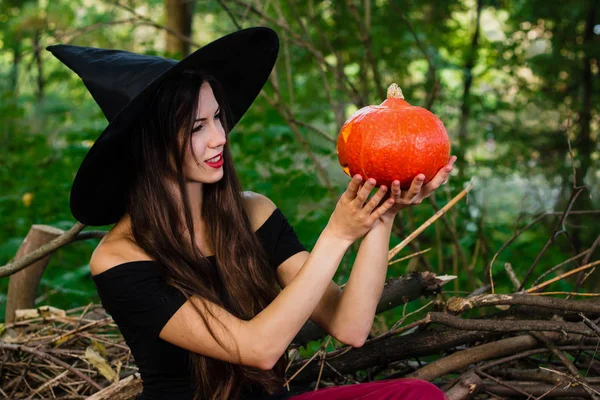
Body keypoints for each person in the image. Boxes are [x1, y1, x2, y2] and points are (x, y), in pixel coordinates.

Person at [48, 27, 454, 400]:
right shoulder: (119, 256)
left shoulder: (253, 210)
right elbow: (255, 349)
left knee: (418, 395)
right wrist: (337, 233)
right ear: (149, 146)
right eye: (196, 128)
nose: (220, 138)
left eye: (218, 119)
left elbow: (350, 326)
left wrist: (383, 215)